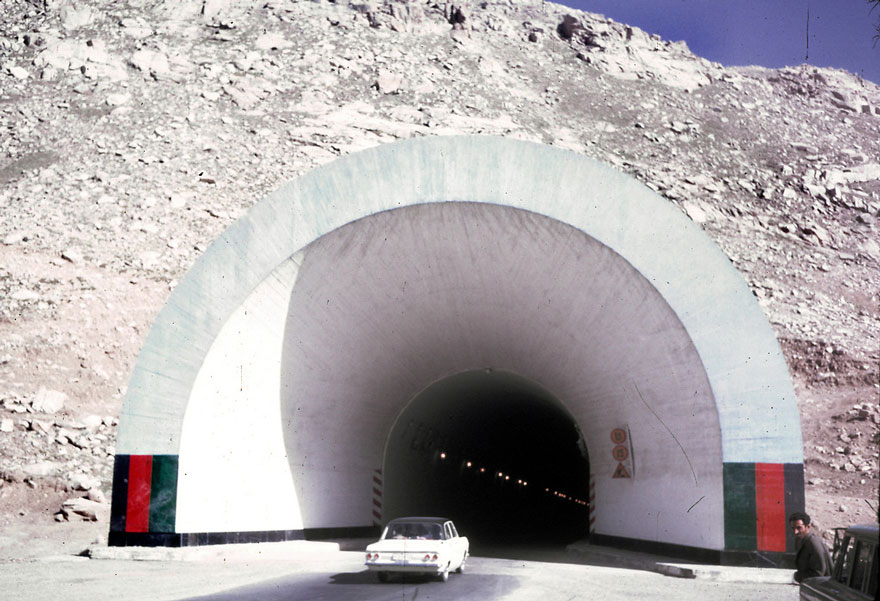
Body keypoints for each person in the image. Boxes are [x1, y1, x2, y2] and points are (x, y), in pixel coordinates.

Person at [789, 511, 832, 583]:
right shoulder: (800, 539)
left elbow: (819, 573)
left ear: (808, 527)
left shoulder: (813, 543)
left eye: (799, 528)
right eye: (793, 528)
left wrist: (797, 576)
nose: (795, 532)